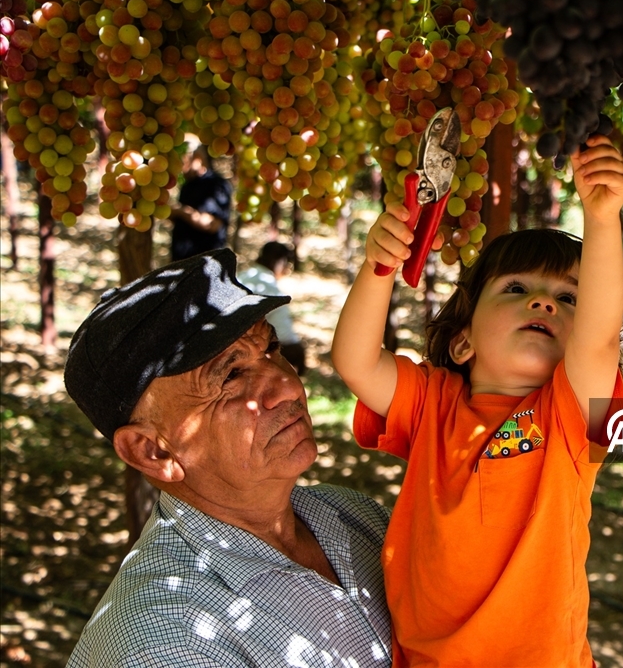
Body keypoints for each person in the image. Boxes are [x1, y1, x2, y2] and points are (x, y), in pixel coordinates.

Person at [332, 134, 623, 667]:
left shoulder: (567, 418)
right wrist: (379, 267)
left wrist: (603, 219)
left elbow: (598, 341)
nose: (544, 301)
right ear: (463, 341)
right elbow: (356, 362)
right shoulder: (432, 402)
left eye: (569, 298)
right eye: (516, 288)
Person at [64, 249, 392, 667]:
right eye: (232, 375)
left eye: (271, 348)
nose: (289, 387)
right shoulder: (165, 644)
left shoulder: (353, 516)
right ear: (154, 451)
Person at [238, 241, 307, 375]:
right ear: (280, 263)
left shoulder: (242, 276)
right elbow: (285, 335)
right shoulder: (270, 288)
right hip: (259, 349)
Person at [169, 143, 233, 261]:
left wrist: (181, 211)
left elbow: (212, 224)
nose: (179, 165)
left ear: (197, 159)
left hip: (206, 264)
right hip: (181, 263)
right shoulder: (187, 186)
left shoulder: (216, 185)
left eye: (183, 159)